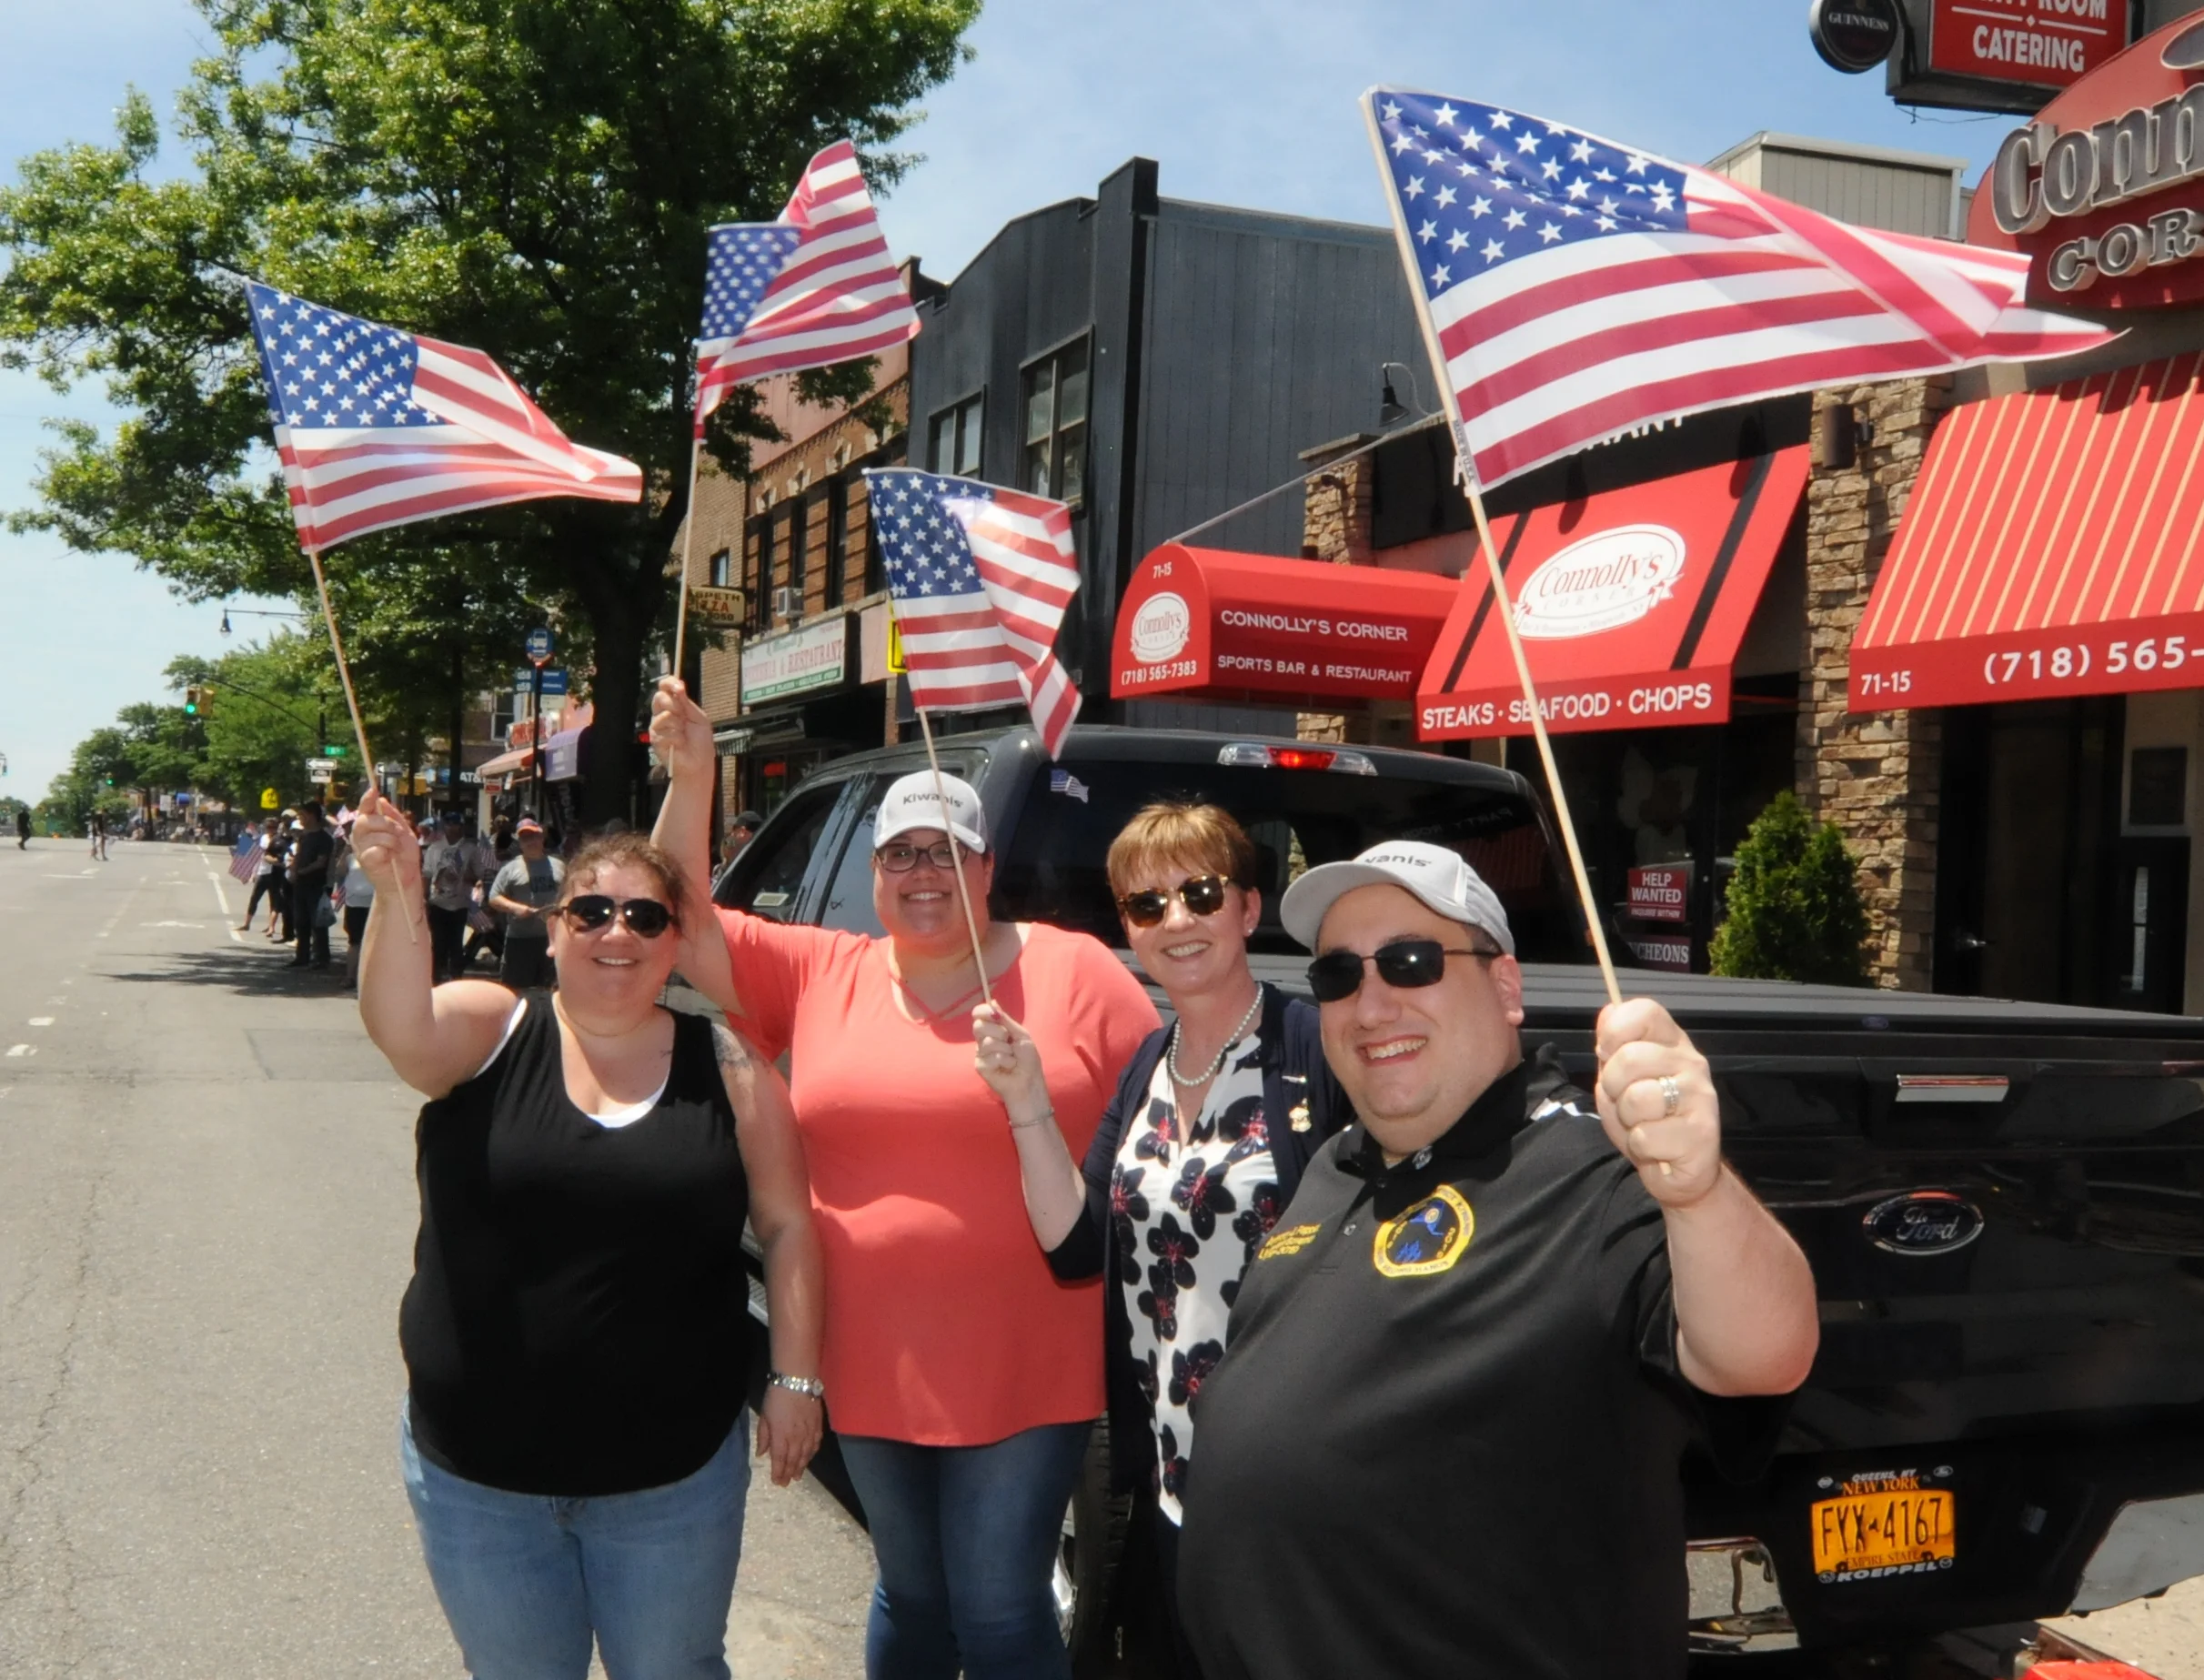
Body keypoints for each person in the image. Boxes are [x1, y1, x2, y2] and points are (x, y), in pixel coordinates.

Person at [1173, 841, 1821, 1680]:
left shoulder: (1590, 1175)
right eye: (1337, 975)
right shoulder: (1335, 1167)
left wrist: (1698, 1191)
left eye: (1409, 961)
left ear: (1505, 986)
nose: (1370, 1005)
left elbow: (1765, 1352)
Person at [648, 677, 1159, 1680]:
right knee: (912, 1593)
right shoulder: (820, 969)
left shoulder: (1073, 969)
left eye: (946, 851)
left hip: (1029, 1350)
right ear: (875, 876)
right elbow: (675, 912)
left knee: (1000, 1602)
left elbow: (1163, 1111)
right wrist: (694, 774)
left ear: (986, 867)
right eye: (900, 853)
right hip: (869, 1351)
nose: (922, 870)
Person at [347, 790, 824, 1680]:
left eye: (646, 914)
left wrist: (796, 1378)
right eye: (592, 909)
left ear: (674, 940)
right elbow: (402, 1030)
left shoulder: (730, 1065)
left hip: (671, 1478)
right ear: (554, 927)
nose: (618, 931)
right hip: (481, 1477)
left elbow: (790, 1224)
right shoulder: (492, 1027)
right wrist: (396, 886)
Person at [971, 803, 1350, 1678]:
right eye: (1146, 906)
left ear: (1248, 908)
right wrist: (1026, 1101)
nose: (1175, 920)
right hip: (1168, 1476)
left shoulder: (1314, 1051)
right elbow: (1076, 1247)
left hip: (1289, 1484)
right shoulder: (1149, 1060)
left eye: (1200, 893)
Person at [488, 818, 564, 991]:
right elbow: (494, 897)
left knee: (551, 991)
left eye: (534, 836)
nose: (531, 841)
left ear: (542, 838)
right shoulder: (510, 868)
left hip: (552, 939)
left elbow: (571, 893)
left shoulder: (559, 866)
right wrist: (516, 908)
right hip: (520, 940)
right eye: (525, 838)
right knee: (515, 992)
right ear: (519, 842)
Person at [421, 812, 478, 984]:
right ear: (444, 826)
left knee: (456, 943)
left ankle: (456, 978)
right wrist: (423, 899)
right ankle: (436, 978)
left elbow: (479, 875)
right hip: (437, 902)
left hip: (459, 903)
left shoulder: (470, 849)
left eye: (457, 824)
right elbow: (427, 874)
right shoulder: (434, 848)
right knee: (438, 943)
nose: (453, 828)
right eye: (449, 824)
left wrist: (471, 877)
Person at [287, 801, 335, 970]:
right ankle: (302, 957)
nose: (301, 818)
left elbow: (321, 862)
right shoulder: (304, 836)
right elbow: (298, 855)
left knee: (318, 923)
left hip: (316, 885)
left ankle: (322, 958)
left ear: (312, 815)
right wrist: (293, 870)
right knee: (301, 922)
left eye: (303, 814)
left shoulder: (324, 838)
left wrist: (302, 871)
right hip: (300, 885)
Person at [339, 826, 376, 991]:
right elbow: (339, 871)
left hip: (374, 903)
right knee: (354, 941)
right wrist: (346, 850)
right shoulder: (350, 856)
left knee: (373, 942)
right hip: (354, 903)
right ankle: (350, 976)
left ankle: (370, 979)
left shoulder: (377, 854)